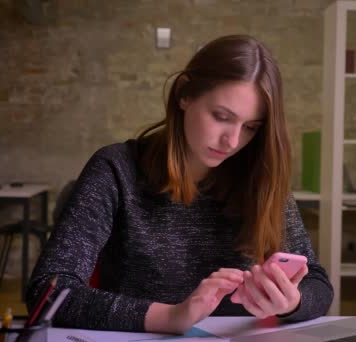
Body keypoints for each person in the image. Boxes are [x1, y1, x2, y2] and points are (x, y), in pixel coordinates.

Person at [26, 34, 333, 334]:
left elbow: (318, 285)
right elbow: (49, 291)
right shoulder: (116, 169)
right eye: (221, 116)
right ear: (184, 94)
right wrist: (170, 317)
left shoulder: (259, 176)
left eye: (251, 127)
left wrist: (292, 302)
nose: (233, 141)